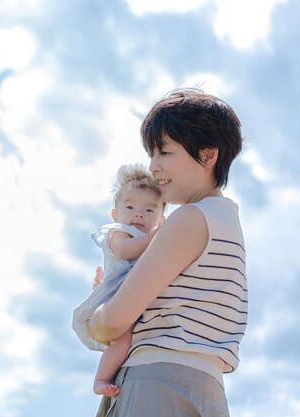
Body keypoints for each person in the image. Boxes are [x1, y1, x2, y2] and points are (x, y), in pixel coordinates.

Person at [87, 88, 247, 417]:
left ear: (207, 155)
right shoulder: (226, 220)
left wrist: (96, 313)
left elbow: (113, 322)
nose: (153, 166)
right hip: (207, 389)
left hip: (157, 382)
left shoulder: (189, 218)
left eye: (164, 153)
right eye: (151, 155)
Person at [72, 163, 165, 398]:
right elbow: (126, 251)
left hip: (136, 297)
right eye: (131, 206)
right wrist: (155, 237)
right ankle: (101, 380)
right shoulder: (117, 232)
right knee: (122, 343)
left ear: (161, 218)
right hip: (117, 298)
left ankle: (119, 374)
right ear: (116, 213)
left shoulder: (152, 239)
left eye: (149, 210)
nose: (139, 214)